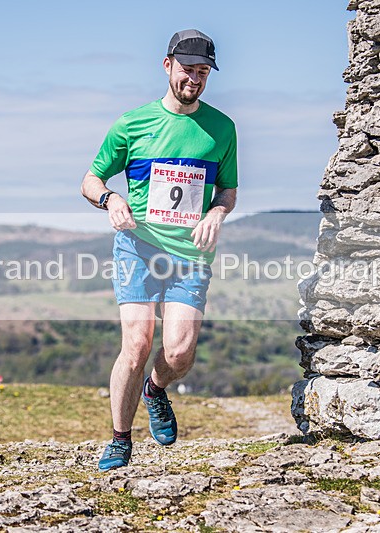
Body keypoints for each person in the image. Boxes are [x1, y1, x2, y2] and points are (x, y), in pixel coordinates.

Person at [80, 29, 238, 471]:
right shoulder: (132, 124)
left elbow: (228, 190)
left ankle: (155, 389)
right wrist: (110, 199)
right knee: (136, 343)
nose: (195, 79)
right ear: (167, 65)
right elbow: (90, 180)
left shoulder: (222, 128)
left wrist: (217, 214)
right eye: (188, 69)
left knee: (179, 352)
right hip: (138, 246)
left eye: (203, 72)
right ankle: (119, 438)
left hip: (190, 255)